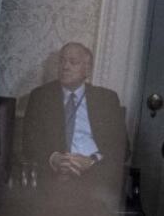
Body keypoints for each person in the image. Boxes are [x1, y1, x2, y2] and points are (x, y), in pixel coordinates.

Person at [20, 42, 128, 204]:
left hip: (94, 175)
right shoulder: (41, 97)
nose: (65, 66)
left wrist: (91, 161)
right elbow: (29, 142)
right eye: (62, 61)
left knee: (98, 205)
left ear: (88, 69)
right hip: (54, 175)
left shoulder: (106, 99)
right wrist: (53, 158)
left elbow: (123, 148)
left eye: (73, 62)